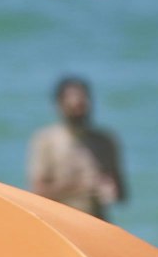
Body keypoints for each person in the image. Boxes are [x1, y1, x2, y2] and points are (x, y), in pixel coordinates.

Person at [27, 76, 126, 218]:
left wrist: (112, 190)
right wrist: (82, 188)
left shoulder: (104, 141)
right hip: (60, 222)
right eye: (73, 106)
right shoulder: (46, 140)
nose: (79, 109)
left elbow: (122, 195)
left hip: (97, 223)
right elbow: (36, 193)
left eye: (83, 104)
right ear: (59, 105)